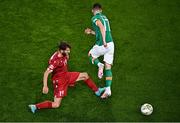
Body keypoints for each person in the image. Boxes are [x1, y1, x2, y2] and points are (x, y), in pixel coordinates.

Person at [29, 42, 105, 113]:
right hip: (60, 82)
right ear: (61, 50)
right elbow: (46, 73)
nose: (69, 52)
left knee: (85, 75)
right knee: (56, 104)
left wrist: (67, 55)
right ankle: (35, 106)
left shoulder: (63, 54)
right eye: (67, 51)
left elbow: (66, 58)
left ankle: (97, 91)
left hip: (66, 75)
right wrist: (45, 86)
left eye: (69, 50)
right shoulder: (55, 61)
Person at [85, 3, 115, 98]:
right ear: (101, 10)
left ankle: (99, 65)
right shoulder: (105, 17)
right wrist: (91, 32)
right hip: (111, 45)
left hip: (103, 44)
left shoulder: (94, 18)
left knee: (90, 55)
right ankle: (108, 90)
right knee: (108, 66)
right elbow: (102, 31)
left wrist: (104, 41)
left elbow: (101, 27)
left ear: (92, 11)